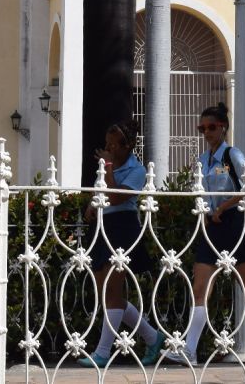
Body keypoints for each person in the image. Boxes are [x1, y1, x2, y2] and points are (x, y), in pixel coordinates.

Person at [165, 102, 245, 367]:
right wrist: (206, 211)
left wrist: (223, 207)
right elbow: (203, 192)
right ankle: (190, 349)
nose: (206, 132)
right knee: (200, 287)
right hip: (212, 225)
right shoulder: (203, 160)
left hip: (234, 222)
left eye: (211, 127)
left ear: (223, 128)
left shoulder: (232, 155)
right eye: (202, 128)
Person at [80, 120, 160, 368]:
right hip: (103, 227)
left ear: (128, 146)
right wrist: (92, 204)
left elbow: (116, 197)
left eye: (114, 145)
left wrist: (108, 167)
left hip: (123, 227)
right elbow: (101, 192)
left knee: (113, 290)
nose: (109, 149)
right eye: (107, 144)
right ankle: (153, 337)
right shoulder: (107, 166)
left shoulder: (137, 171)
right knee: (107, 294)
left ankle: (103, 352)